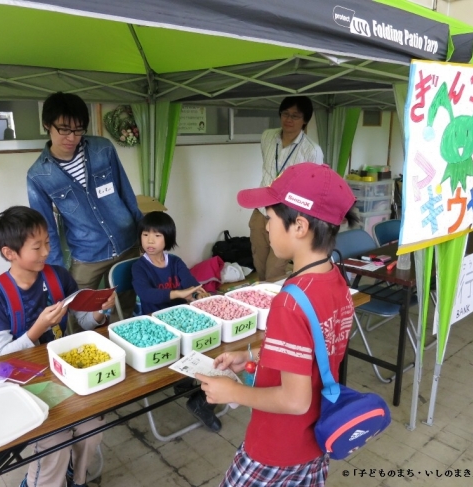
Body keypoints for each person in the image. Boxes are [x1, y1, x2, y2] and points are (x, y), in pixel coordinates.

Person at [196, 163, 358, 487]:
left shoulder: (290, 301)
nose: (266, 228)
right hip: (315, 441)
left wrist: (234, 391)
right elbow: (313, 357)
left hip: (276, 448)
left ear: (299, 226)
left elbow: (295, 400)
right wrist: (255, 360)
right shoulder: (335, 280)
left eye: (269, 218)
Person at [0, 206, 115, 487]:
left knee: (92, 428)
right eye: (37, 246)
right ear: (10, 253)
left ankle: (76, 479)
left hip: (65, 373)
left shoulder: (58, 276)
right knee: (55, 438)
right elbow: (3, 355)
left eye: (48, 243)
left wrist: (100, 313)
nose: (46, 252)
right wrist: (37, 329)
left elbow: (83, 321)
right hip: (22, 381)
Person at [27, 92, 143, 326]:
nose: (72, 137)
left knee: (124, 308)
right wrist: (57, 272)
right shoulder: (38, 175)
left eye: (79, 130)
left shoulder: (102, 149)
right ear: (46, 125)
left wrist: (143, 233)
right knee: (75, 313)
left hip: (126, 241)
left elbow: (125, 192)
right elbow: (46, 228)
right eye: (64, 129)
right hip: (87, 252)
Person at [131, 211, 222, 432]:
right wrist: (179, 294)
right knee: (193, 348)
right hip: (155, 324)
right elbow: (146, 295)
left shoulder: (175, 262)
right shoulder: (139, 266)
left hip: (182, 319)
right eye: (145, 235)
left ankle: (196, 395)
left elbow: (190, 284)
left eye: (157, 236)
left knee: (216, 346)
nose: (150, 241)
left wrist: (199, 295)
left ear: (168, 239)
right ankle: (189, 388)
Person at [250, 96, 324, 281]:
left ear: (305, 120)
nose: (289, 120)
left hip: (286, 216)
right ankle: (261, 301)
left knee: (274, 269)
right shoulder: (267, 137)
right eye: (285, 114)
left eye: (295, 116)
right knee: (258, 263)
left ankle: (275, 304)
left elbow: (313, 189)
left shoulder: (312, 151)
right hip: (261, 210)